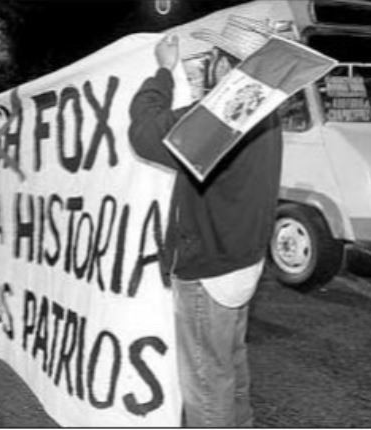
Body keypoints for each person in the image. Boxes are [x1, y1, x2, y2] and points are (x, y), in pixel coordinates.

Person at [128, 16, 283, 427]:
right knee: (230, 366)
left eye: (213, 56)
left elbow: (143, 132)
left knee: (205, 385)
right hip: (243, 261)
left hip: (210, 269)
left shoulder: (222, 114)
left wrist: (162, 70)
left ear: (223, 62)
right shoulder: (266, 106)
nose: (208, 63)